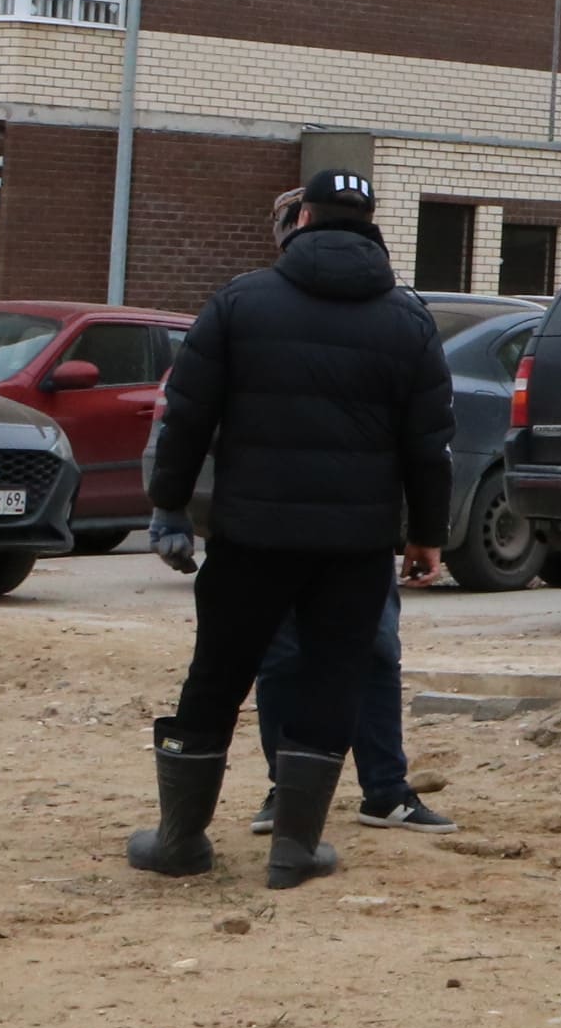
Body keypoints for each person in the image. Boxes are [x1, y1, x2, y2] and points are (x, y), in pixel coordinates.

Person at [122, 172, 452, 889]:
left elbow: (188, 416)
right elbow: (429, 443)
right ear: (371, 225)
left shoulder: (241, 303)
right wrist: (427, 534)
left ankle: (180, 841)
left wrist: (169, 504)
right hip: (355, 547)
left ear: (302, 218)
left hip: (251, 536)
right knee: (333, 681)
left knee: (217, 677)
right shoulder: (408, 319)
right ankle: (295, 850)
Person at [249, 548, 450, 833]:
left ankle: (385, 791)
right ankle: (288, 792)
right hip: (277, 533)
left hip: (361, 533)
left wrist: (426, 534)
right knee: (283, 655)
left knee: (375, 649)